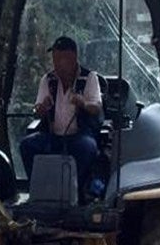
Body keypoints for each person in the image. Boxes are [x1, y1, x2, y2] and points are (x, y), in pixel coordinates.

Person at [19, 36, 103, 195]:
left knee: (88, 147)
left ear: (72, 58)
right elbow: (37, 109)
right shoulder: (48, 79)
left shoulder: (89, 78)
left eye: (59, 59)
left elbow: (97, 107)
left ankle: (74, 193)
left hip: (78, 136)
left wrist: (83, 103)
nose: (55, 63)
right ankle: (38, 191)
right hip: (53, 136)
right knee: (27, 145)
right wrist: (42, 108)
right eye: (54, 59)